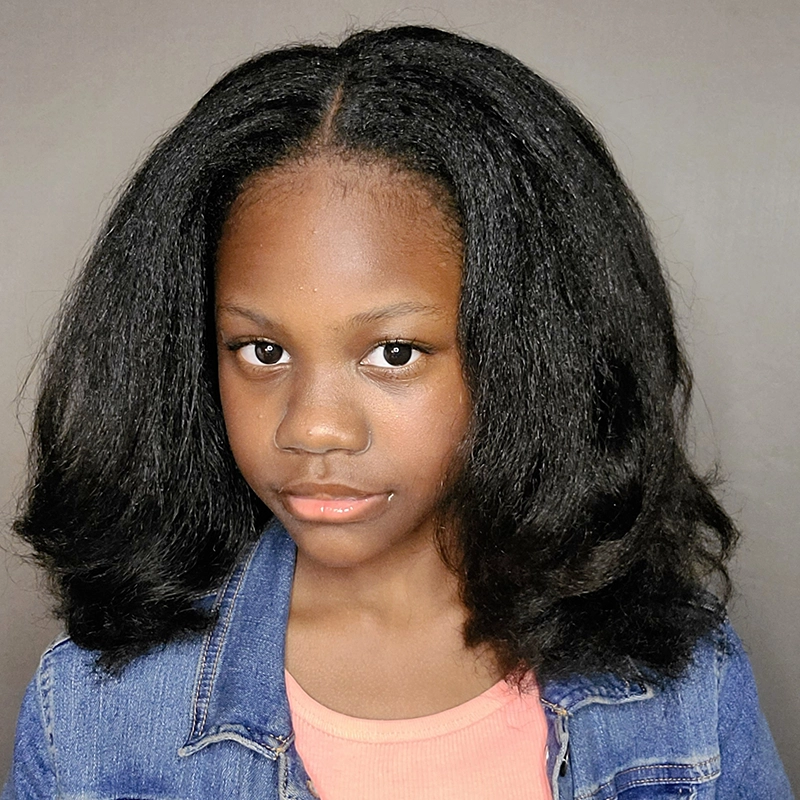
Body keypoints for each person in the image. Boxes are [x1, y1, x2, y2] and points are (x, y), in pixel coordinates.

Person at [2, 25, 792, 800]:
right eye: (262, 352)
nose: (313, 428)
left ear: (530, 353)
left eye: (394, 353)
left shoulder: (680, 688)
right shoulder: (96, 717)